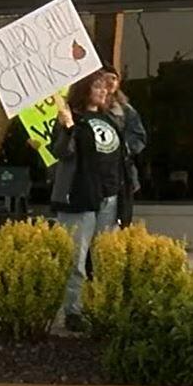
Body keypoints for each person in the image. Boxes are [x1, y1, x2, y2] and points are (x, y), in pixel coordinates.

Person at [51, 69, 127, 331]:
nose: (104, 90)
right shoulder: (71, 119)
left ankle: (100, 307)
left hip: (109, 196)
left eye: (105, 87)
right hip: (80, 196)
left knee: (103, 257)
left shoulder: (110, 118)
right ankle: (73, 311)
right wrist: (67, 128)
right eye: (97, 86)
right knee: (77, 258)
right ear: (84, 89)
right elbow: (61, 152)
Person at [100, 67, 147, 227]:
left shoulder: (126, 110)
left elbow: (139, 137)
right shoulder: (93, 108)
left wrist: (122, 147)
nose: (111, 82)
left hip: (122, 172)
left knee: (120, 220)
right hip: (97, 172)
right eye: (107, 78)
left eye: (114, 78)